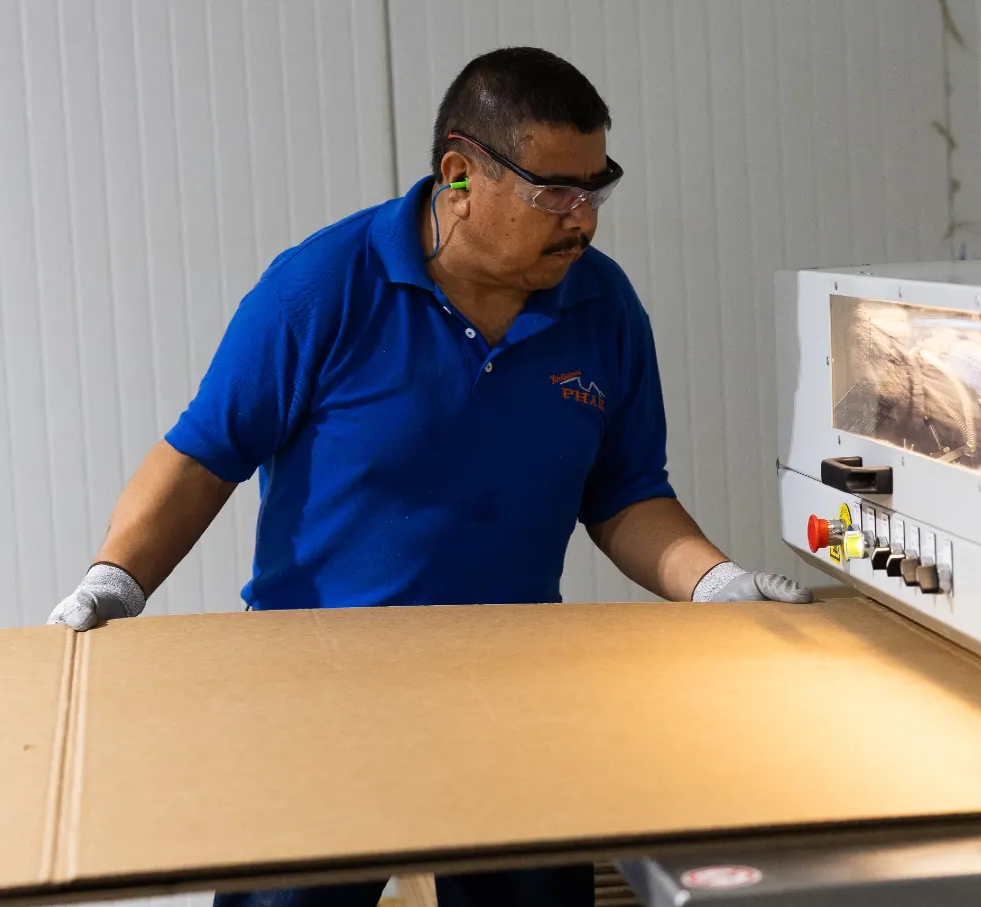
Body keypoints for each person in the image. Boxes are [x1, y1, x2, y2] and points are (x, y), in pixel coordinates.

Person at [45, 47, 810, 907]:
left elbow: (626, 493)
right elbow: (201, 456)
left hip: (515, 691)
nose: (584, 219)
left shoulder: (602, 306)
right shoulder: (323, 288)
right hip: (320, 691)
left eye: (595, 189)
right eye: (553, 191)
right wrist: (116, 575)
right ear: (459, 174)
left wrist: (713, 582)